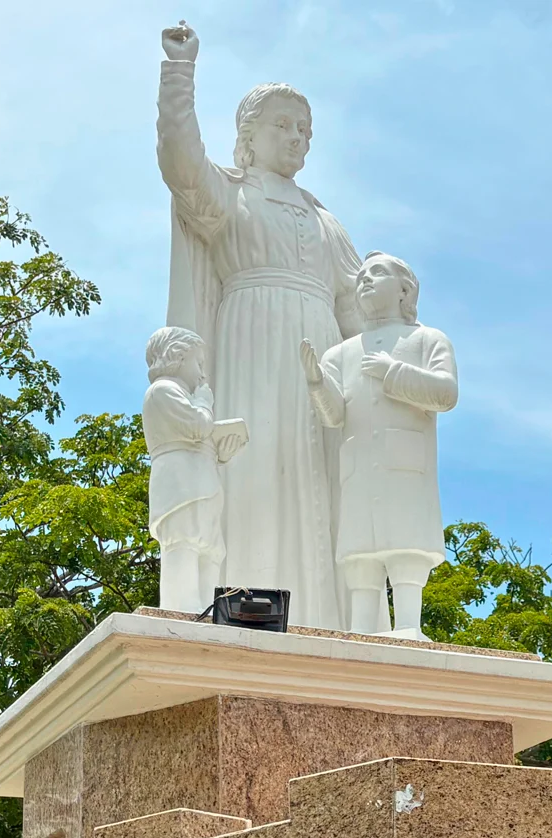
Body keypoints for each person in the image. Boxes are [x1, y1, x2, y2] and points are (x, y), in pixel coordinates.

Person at [158, 21, 362, 629]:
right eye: (284, 125)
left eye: (305, 129)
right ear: (249, 133)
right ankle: (245, 609)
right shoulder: (230, 193)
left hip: (319, 360)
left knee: (318, 478)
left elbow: (358, 302)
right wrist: (178, 74)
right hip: (250, 341)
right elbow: (179, 158)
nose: (298, 137)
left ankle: (325, 618)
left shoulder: (325, 219)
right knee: (251, 471)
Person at [301, 253, 457, 637]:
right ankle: (360, 629)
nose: (365, 281)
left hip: (405, 464)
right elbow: (334, 415)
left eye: (378, 274)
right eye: (362, 276)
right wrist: (318, 383)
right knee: (360, 554)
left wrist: (394, 373)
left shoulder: (426, 339)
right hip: (360, 467)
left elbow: (446, 393)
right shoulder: (342, 352)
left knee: (406, 548)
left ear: (405, 289)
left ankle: (407, 625)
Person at [141, 327, 248, 613]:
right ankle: (183, 610)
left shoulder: (179, 395)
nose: (202, 374)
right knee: (183, 545)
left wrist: (221, 449)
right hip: (180, 486)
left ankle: (206, 611)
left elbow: (201, 437)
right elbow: (198, 426)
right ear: (176, 357)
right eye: (197, 363)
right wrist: (204, 402)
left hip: (202, 483)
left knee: (210, 550)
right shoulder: (162, 391)